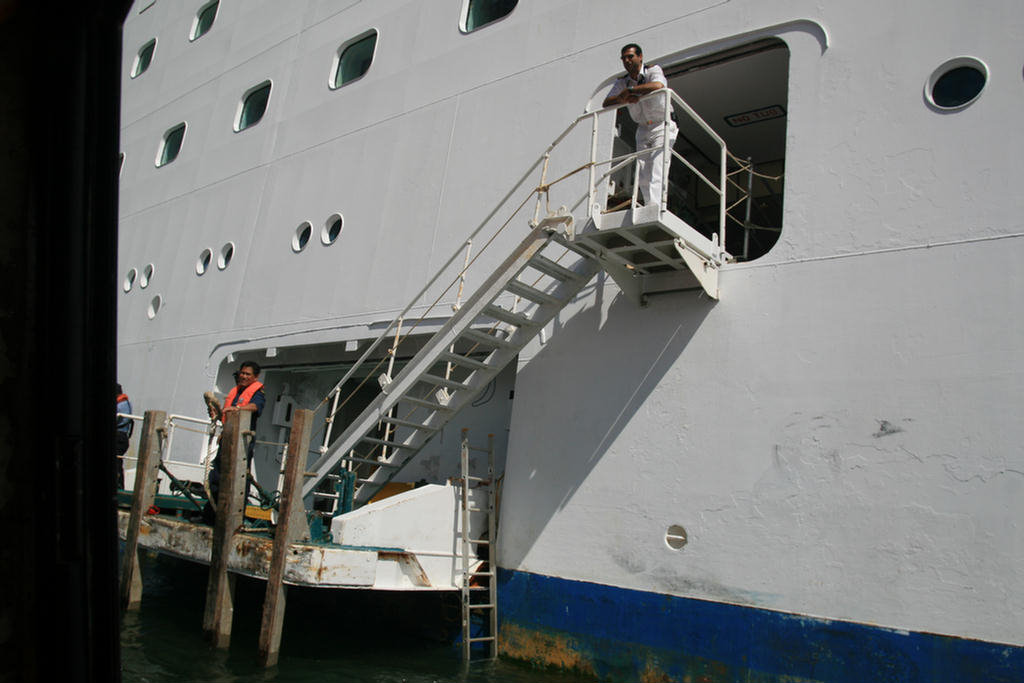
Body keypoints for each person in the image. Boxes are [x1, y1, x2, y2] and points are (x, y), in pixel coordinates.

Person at [602, 43, 678, 208]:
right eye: (624, 58)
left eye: (630, 57)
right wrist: (622, 97)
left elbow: (658, 85)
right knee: (643, 171)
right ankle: (650, 204)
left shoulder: (653, 70)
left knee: (658, 166)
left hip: (662, 124)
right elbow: (606, 102)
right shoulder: (622, 82)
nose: (627, 61)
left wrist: (632, 91)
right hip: (643, 127)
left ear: (640, 56)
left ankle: (656, 207)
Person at [203, 361, 266, 521]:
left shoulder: (257, 393)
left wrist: (238, 409)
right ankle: (211, 515)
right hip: (228, 439)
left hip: (242, 442)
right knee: (217, 476)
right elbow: (227, 413)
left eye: (248, 374)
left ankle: (235, 517)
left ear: (255, 377)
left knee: (238, 478)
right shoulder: (236, 392)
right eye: (242, 373)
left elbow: (255, 407)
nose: (243, 376)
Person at [115, 384, 133, 489]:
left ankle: (118, 486)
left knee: (116, 461)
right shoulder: (125, 404)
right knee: (117, 462)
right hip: (121, 437)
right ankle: (119, 485)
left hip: (119, 437)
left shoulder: (121, 405)